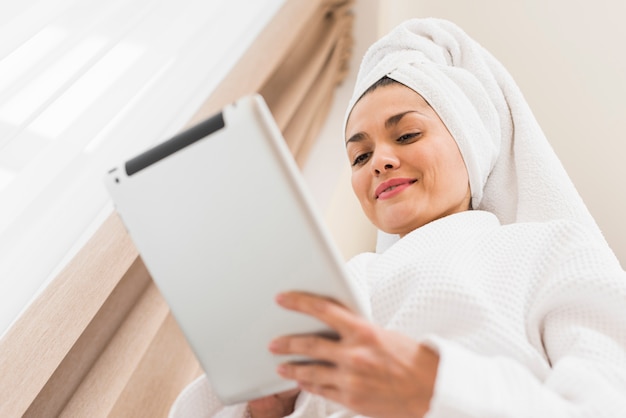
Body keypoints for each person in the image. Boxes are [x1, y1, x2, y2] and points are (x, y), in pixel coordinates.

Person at [170, 18, 626, 418]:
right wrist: (265, 409)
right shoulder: (335, 286)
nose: (378, 162)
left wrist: (433, 387)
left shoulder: (553, 251)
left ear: (470, 141)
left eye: (406, 134)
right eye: (360, 155)